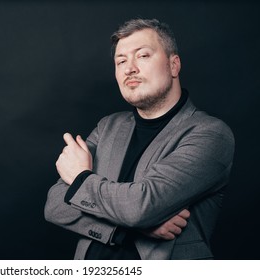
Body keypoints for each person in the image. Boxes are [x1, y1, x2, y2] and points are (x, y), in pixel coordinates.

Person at [44, 18, 235, 260]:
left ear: (174, 65)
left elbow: (141, 206)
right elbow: (55, 205)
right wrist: (124, 230)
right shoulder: (108, 127)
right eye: (121, 61)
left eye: (142, 56)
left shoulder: (210, 134)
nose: (129, 68)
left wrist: (81, 178)